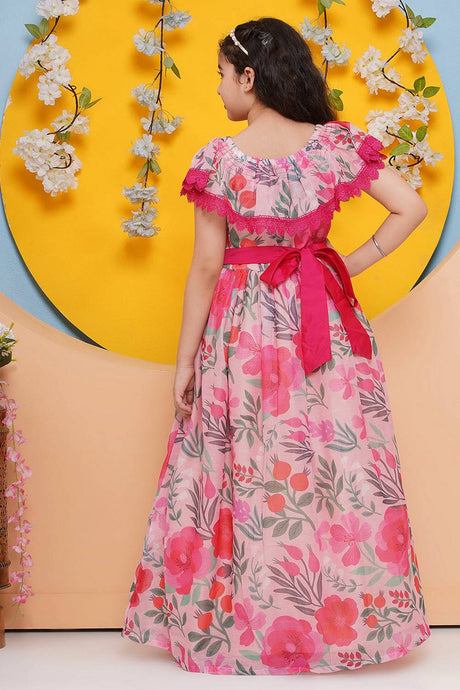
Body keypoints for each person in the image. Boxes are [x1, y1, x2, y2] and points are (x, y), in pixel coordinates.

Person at [121, 17, 431, 675]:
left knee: (244, 468)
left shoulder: (218, 159)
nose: (217, 89)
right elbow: (412, 208)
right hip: (322, 316)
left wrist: (185, 361)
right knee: (332, 468)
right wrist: (344, 264)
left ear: (249, 76)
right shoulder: (335, 144)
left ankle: (241, 630)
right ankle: (339, 627)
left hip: (242, 330)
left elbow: (207, 266)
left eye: (221, 75)